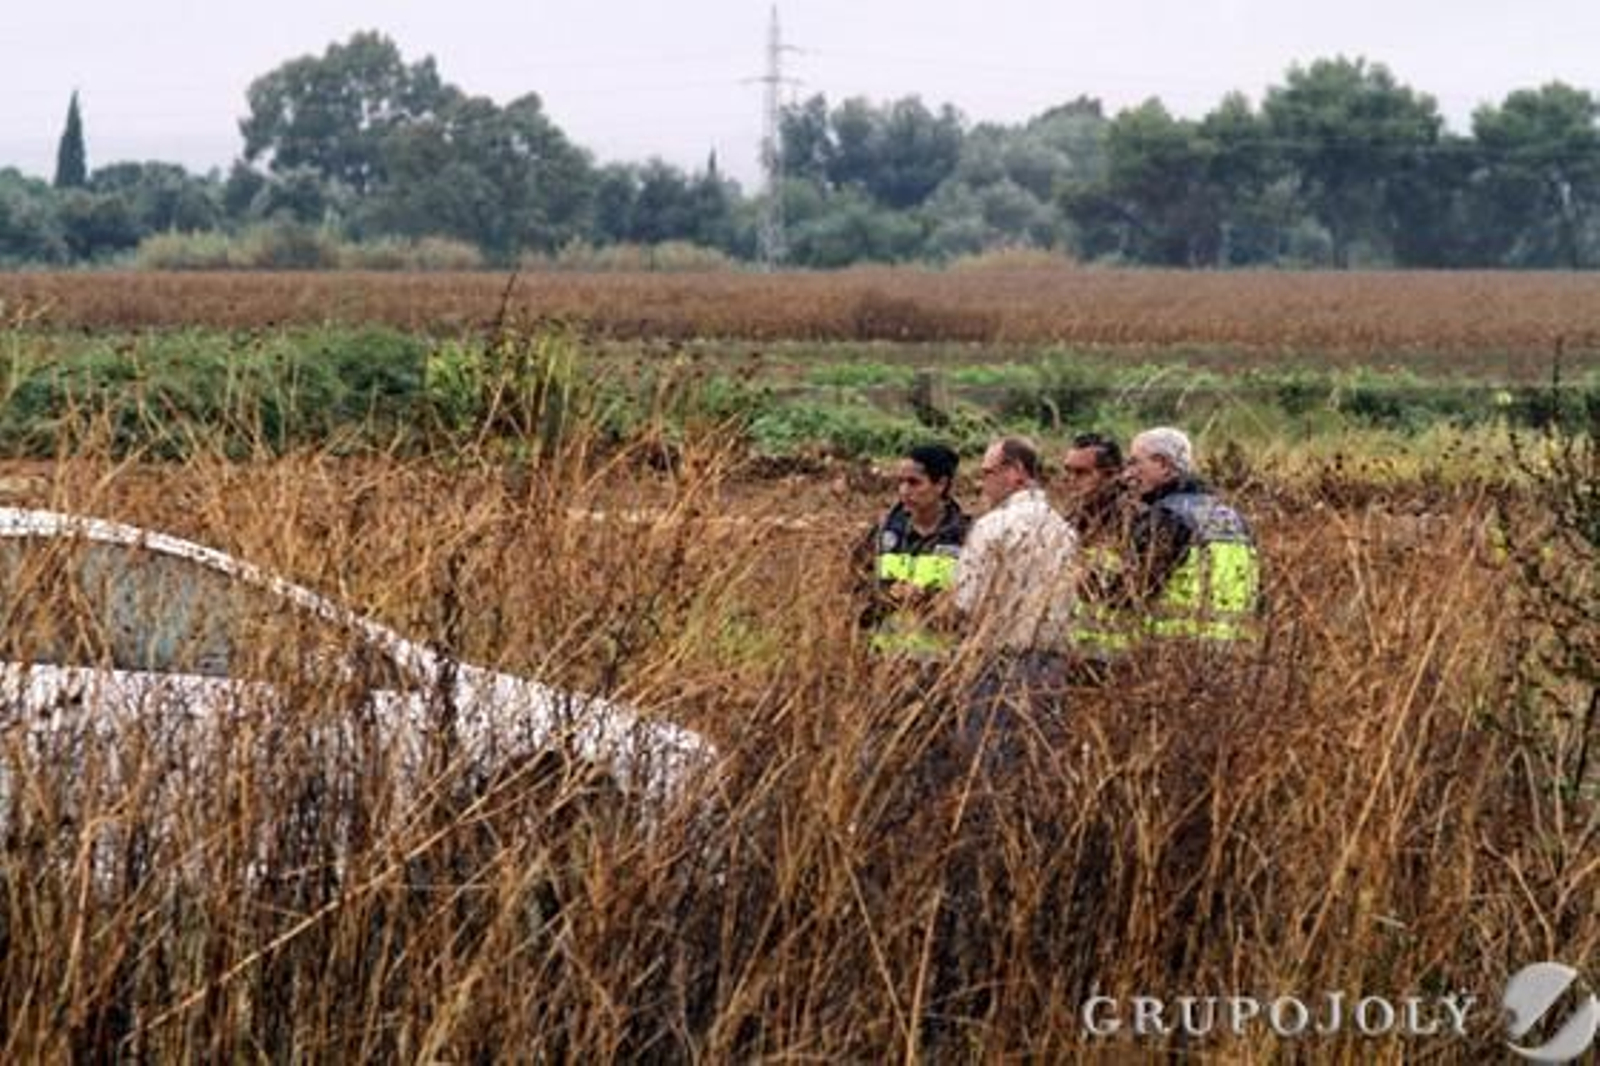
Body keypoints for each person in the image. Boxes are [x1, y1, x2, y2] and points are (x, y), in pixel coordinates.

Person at [953, 436, 1079, 701]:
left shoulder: (991, 526)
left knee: (989, 726)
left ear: (1016, 471)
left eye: (988, 473)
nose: (982, 483)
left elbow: (966, 601)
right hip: (1052, 664)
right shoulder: (1065, 530)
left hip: (996, 661)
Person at [1119, 426, 1262, 646]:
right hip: (1236, 651)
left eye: (1135, 463)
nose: (1127, 474)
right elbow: (1259, 596)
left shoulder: (1166, 517)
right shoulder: (1234, 518)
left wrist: (1084, 579)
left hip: (1176, 650)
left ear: (1163, 465)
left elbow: (1129, 592)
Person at [855, 443, 970, 659]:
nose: (904, 491)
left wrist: (928, 600)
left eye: (914, 482)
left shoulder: (966, 537)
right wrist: (887, 597)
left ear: (941, 484)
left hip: (942, 665)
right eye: (900, 482)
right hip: (884, 661)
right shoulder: (882, 533)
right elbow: (855, 590)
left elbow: (976, 606)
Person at [1060, 432, 1134, 676]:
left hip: (1120, 662)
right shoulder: (1069, 522)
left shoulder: (1137, 522)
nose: (1071, 480)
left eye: (1081, 473)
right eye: (1067, 471)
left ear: (1112, 475)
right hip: (1072, 657)